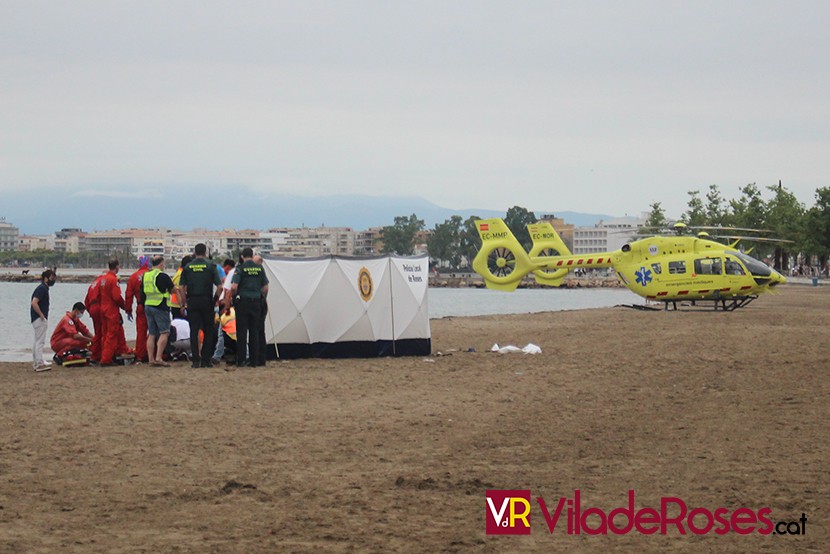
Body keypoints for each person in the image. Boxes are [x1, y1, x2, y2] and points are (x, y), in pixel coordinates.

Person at [180, 243, 222, 368]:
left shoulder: (188, 267)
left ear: (195, 252)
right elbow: (219, 287)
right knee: (208, 331)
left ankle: (195, 360)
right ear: (205, 252)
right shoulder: (210, 266)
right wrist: (215, 300)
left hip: (193, 300)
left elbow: (181, 287)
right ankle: (206, 360)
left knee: (194, 330)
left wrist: (184, 302)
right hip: (207, 300)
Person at [231, 248, 269, 368]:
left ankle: (241, 360)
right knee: (254, 332)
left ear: (242, 256)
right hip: (256, 302)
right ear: (252, 256)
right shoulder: (259, 268)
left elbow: (234, 287)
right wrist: (260, 296)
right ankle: (254, 360)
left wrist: (234, 297)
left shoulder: (240, 268)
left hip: (242, 302)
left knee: (241, 332)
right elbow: (266, 287)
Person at [141, 256, 175, 367]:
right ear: (161, 264)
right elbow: (172, 289)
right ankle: (159, 357)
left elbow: (141, 292)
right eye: (163, 264)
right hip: (160, 305)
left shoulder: (146, 275)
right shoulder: (162, 275)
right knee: (164, 332)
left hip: (148, 305)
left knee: (151, 334)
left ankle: (151, 359)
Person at [99, 259, 131, 366]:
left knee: (105, 334)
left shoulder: (103, 279)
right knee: (111, 335)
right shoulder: (113, 279)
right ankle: (106, 359)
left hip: (103, 309)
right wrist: (125, 306)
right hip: (111, 310)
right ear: (117, 267)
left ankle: (105, 355)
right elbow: (117, 297)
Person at [125, 256, 152, 363]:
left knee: (141, 331)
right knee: (154, 331)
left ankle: (140, 355)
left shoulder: (133, 277)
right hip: (154, 305)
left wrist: (128, 310)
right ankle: (152, 354)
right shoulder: (151, 275)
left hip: (141, 306)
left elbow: (128, 295)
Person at [30, 269, 57, 371]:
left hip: (37, 317)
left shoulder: (44, 288)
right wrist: (41, 315)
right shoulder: (42, 289)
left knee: (37, 340)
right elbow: (34, 302)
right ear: (46, 278)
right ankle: (38, 363)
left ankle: (38, 360)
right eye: (51, 278)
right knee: (40, 341)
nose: (53, 280)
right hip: (39, 318)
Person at [84, 271, 108, 363]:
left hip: (93, 308)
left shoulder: (92, 285)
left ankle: (96, 353)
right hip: (100, 306)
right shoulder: (103, 283)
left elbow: (86, 301)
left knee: (98, 332)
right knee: (104, 332)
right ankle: (101, 353)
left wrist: (91, 311)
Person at [169, 255, 192, 320]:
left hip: (179, 305)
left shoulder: (180, 273)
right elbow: (178, 291)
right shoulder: (180, 275)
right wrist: (182, 306)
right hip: (178, 306)